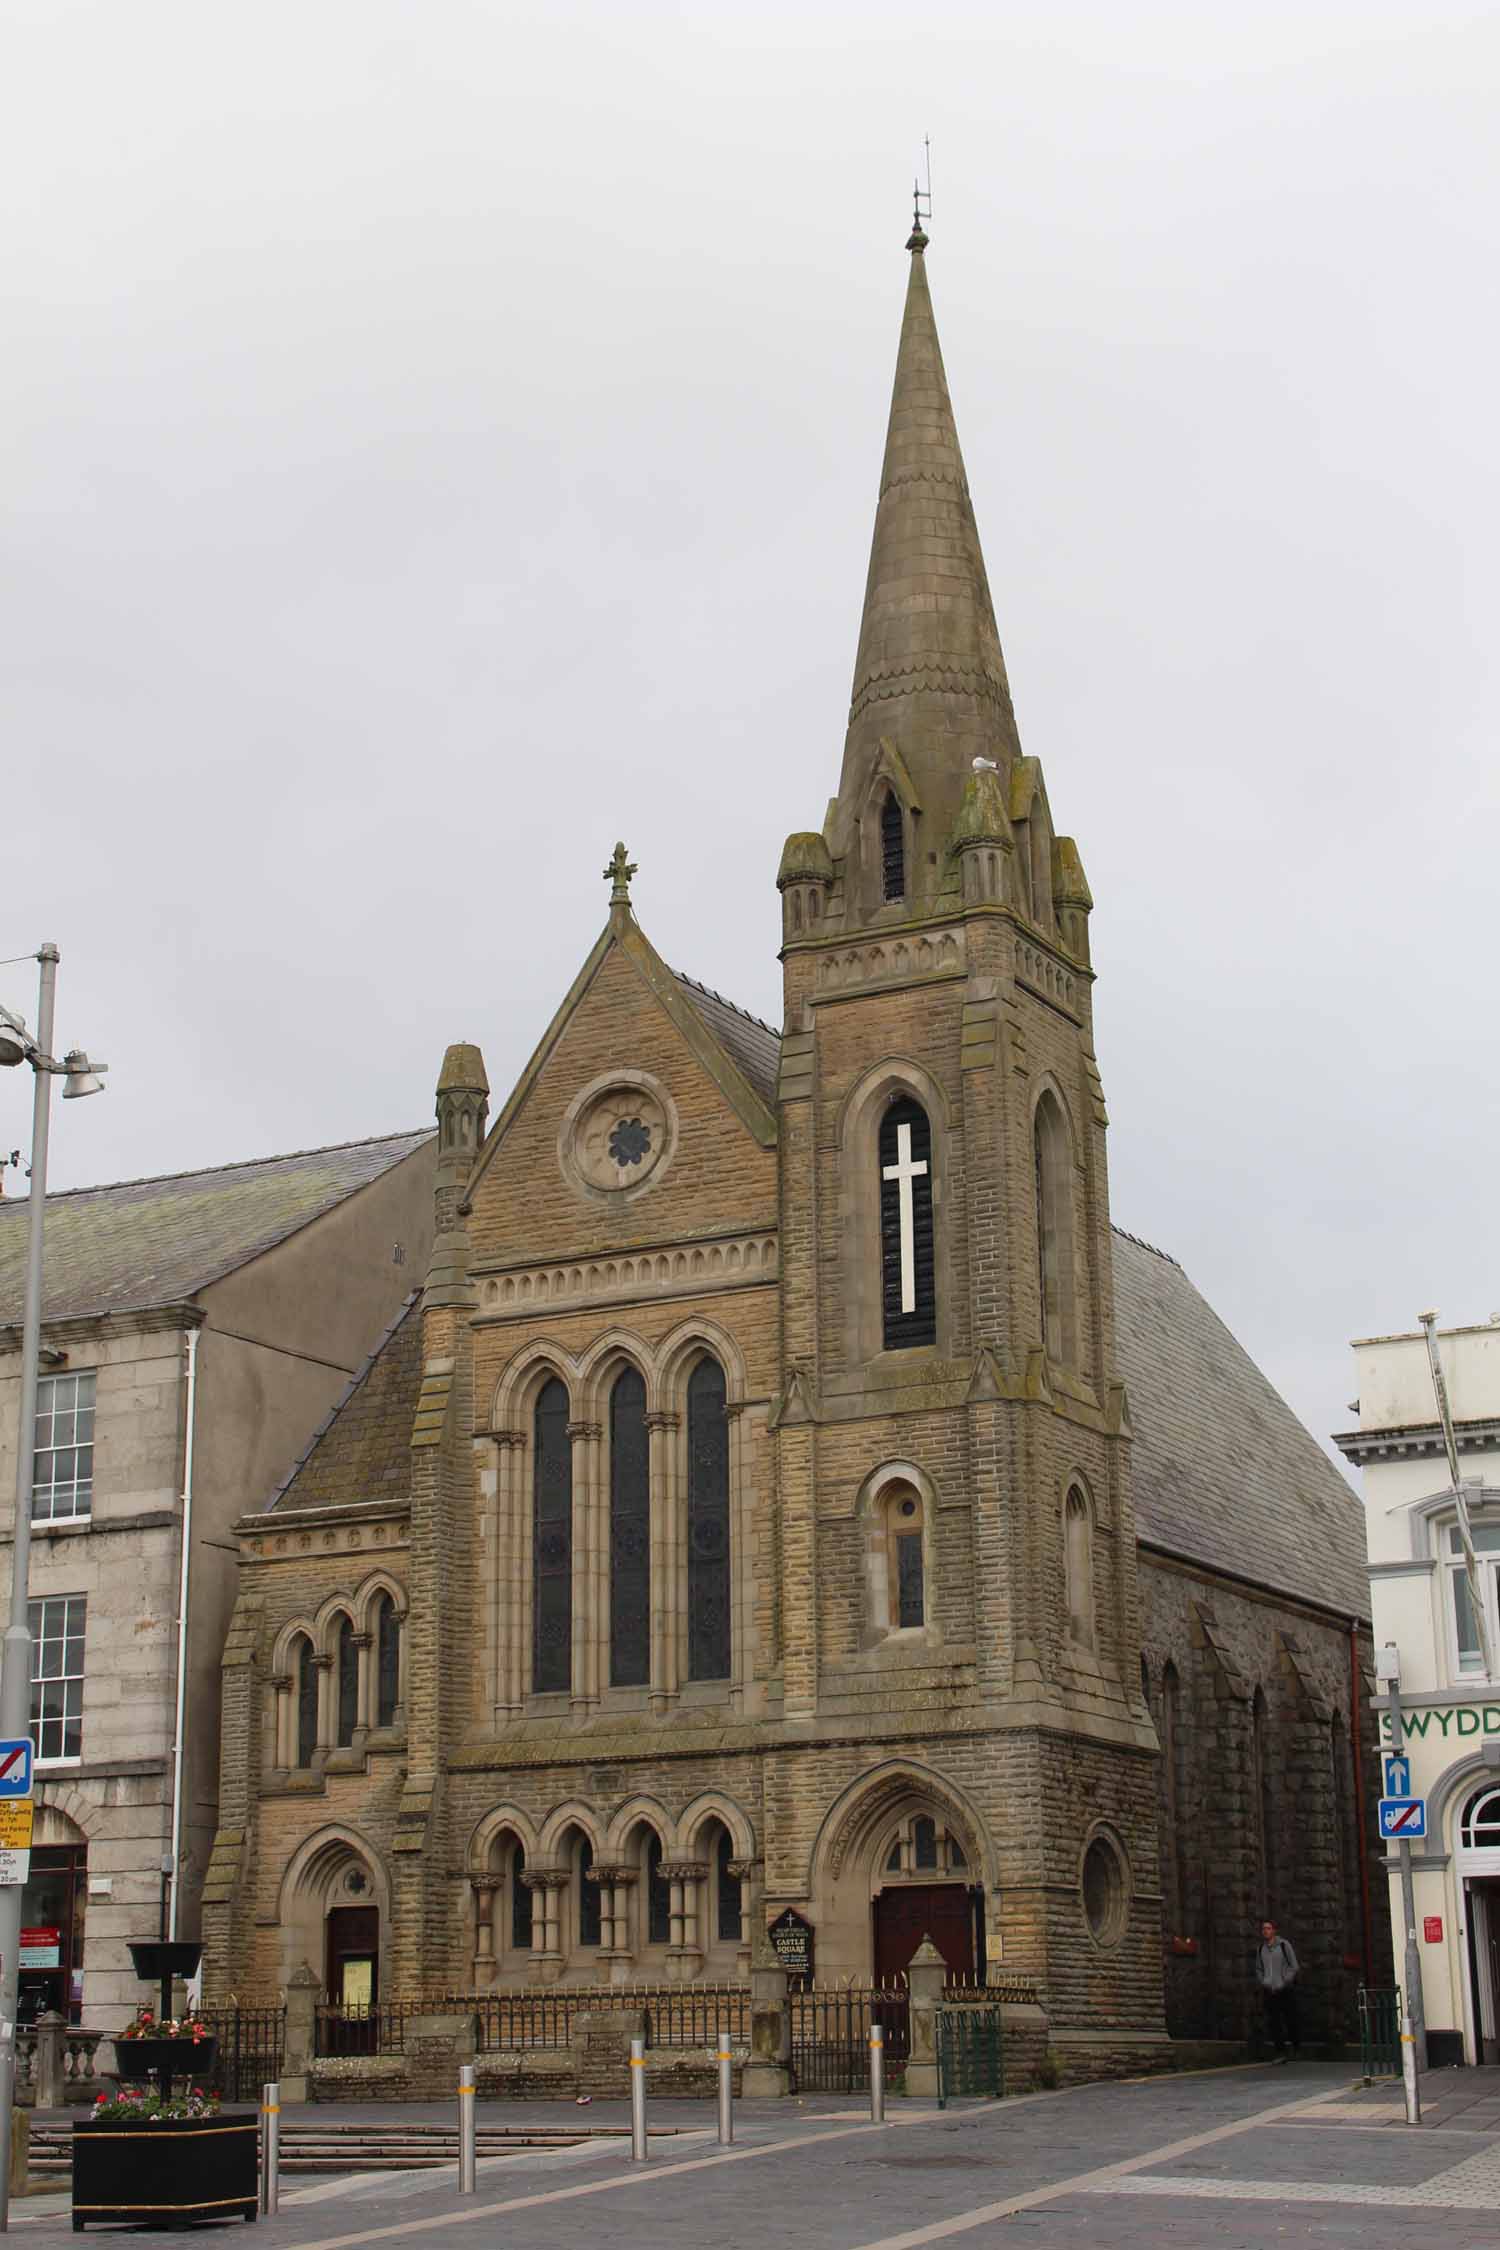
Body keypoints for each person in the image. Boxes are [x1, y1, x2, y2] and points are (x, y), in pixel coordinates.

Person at [1256, 1919, 1301, 2060]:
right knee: (1274, 2022)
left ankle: (1296, 2049)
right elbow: (1258, 1968)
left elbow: (1294, 1966)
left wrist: (1284, 1981)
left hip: (1284, 1989)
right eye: (1263, 1928)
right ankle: (1280, 2052)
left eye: (1268, 1928)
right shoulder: (1260, 1949)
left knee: (1290, 2019)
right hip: (1269, 1990)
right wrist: (1264, 1981)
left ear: (1274, 1930)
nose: (1265, 1931)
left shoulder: (1283, 1945)